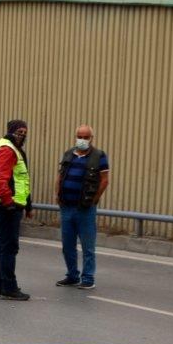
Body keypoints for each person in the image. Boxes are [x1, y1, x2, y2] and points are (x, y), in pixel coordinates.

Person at [55, 124, 110, 289]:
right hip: (67, 207)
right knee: (67, 245)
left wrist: (94, 199)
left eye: (86, 137)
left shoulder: (99, 156)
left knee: (88, 246)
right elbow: (60, 175)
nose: (82, 140)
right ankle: (72, 275)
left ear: (91, 138)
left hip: (85, 209)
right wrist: (57, 194)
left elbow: (104, 179)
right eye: (80, 136)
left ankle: (88, 278)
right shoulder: (68, 154)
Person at [0, 119, 33, 300]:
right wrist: (9, 203)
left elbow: (21, 180)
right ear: (11, 131)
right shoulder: (8, 149)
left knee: (1, 246)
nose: (22, 135)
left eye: (24, 132)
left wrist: (27, 205)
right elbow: (0, 179)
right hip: (6, 205)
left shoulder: (10, 147)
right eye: (19, 131)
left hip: (5, 204)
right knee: (9, 248)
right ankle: (8, 287)